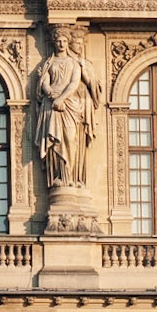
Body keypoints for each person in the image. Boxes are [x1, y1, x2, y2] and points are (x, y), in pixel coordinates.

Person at [34, 25, 103, 189]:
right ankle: (59, 176)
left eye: (64, 41)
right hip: (52, 105)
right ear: (54, 42)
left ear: (67, 43)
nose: (61, 44)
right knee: (54, 141)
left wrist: (61, 98)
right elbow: (44, 81)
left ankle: (70, 175)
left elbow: (74, 83)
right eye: (58, 41)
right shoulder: (49, 62)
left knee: (71, 139)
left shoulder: (74, 63)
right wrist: (50, 93)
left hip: (69, 104)